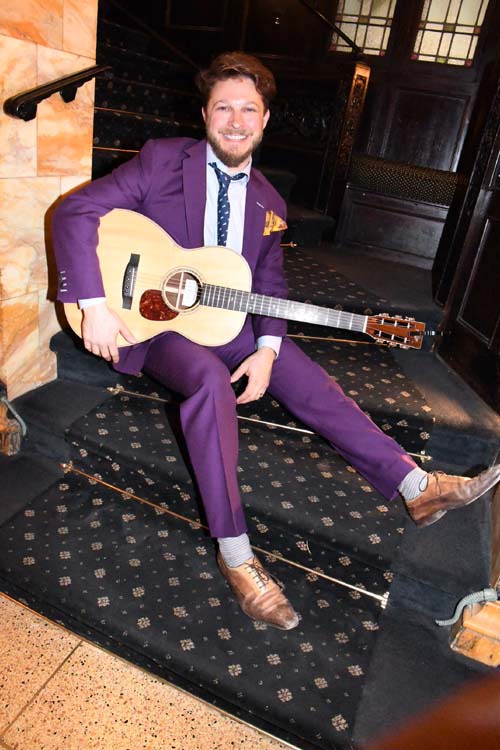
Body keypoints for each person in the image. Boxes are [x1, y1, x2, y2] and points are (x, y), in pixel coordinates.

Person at [52, 51, 500, 631]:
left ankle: (415, 485)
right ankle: (237, 555)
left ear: (265, 120)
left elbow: (267, 281)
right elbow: (76, 212)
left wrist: (265, 350)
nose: (235, 121)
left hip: (225, 321)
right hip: (150, 321)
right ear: (206, 114)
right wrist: (94, 308)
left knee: (305, 374)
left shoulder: (270, 202)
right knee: (209, 382)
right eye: (223, 108)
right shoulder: (164, 160)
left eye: (248, 110)